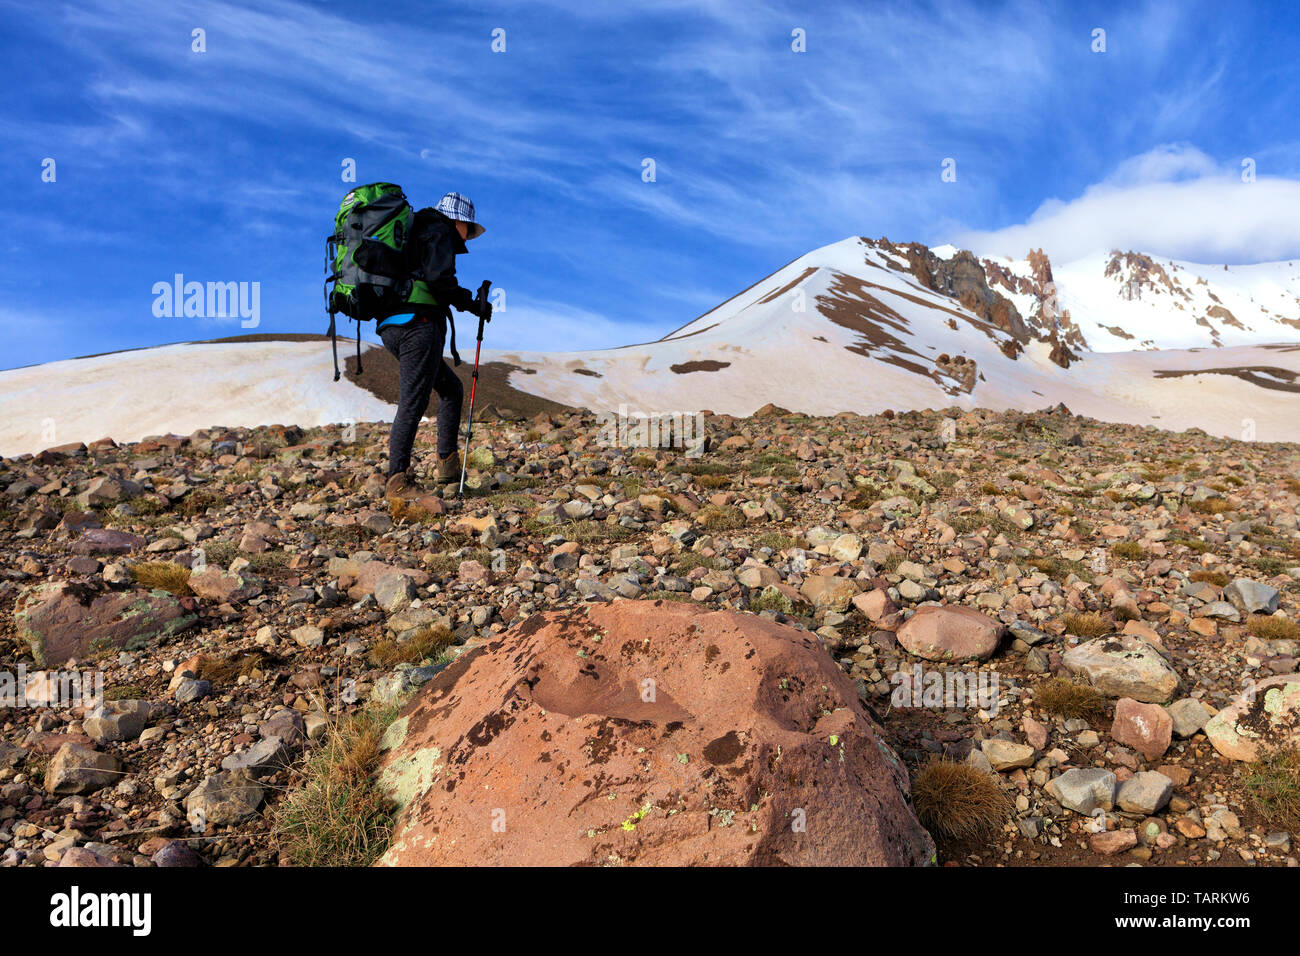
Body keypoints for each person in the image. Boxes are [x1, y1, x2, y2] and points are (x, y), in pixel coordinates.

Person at [379, 192, 489, 498]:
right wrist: (473, 303)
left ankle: (448, 468)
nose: (469, 235)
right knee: (413, 400)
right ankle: (397, 480)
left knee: (451, 390)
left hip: (392, 324)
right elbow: (440, 280)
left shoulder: (417, 231)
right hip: (418, 324)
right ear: (459, 221)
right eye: (469, 227)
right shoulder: (438, 231)